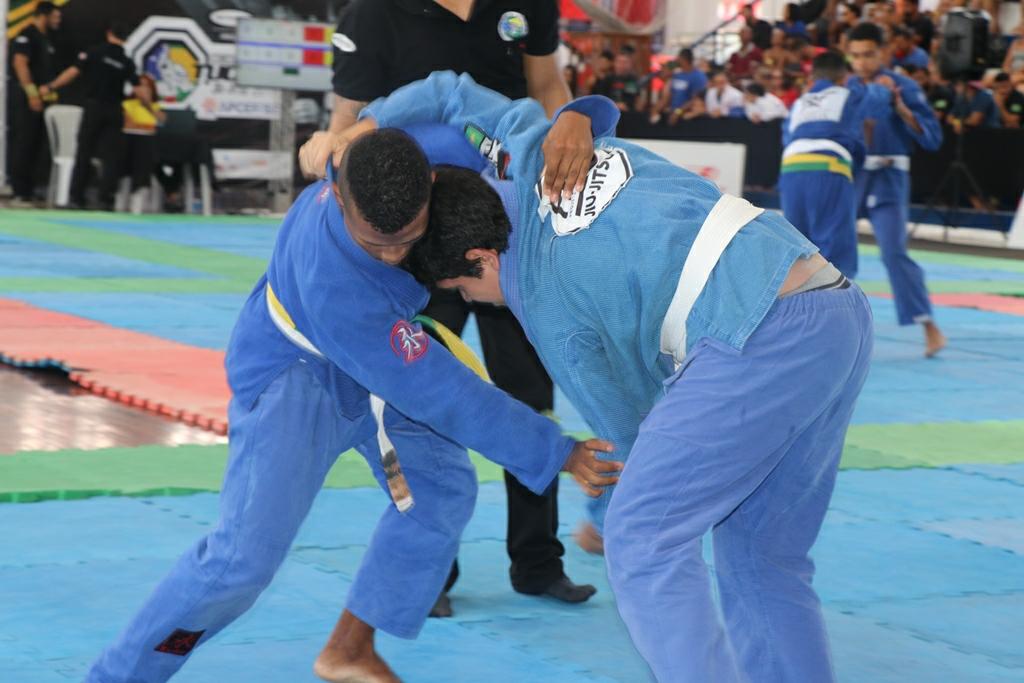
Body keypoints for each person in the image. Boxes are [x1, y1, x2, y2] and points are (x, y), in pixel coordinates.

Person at [351, 70, 874, 683]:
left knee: (643, 537)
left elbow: (628, 427)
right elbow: (452, 93)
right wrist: (365, 125)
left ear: (481, 257)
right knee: (763, 556)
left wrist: (605, 518)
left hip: (756, 337)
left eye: (464, 288)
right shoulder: (539, 151)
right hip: (835, 308)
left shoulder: (545, 303)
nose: (476, 300)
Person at [83, 120, 620, 683]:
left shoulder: (394, 155)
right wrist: (555, 451)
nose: (393, 256)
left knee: (440, 492)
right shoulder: (336, 283)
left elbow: (463, 108)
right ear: (339, 198)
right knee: (242, 559)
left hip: (381, 363)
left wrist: (574, 123)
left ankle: (349, 649)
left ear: (430, 183)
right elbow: (441, 390)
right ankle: (118, 677)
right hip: (294, 380)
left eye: (407, 239)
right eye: (375, 243)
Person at [296, 0, 599, 620]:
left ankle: (538, 561)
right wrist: (331, 159)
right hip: (414, 238)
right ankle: (431, 568)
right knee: (422, 404)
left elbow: (546, 85)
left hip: (508, 224)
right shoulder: (372, 15)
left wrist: (565, 148)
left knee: (530, 395)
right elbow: (348, 120)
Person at [847, 22, 946, 356]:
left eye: (868, 55)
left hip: (889, 177)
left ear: (884, 53)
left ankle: (928, 324)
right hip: (851, 177)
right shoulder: (846, 87)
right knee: (829, 252)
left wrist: (901, 108)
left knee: (893, 253)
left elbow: (933, 138)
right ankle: (824, 326)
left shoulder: (905, 86)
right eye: (855, 56)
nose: (861, 62)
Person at [780, 50, 888, 278]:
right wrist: (882, 87)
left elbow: (787, 137)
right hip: (827, 169)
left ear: (812, 77)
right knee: (834, 249)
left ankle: (795, 299)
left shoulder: (799, 103)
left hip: (790, 170)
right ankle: (836, 298)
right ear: (843, 77)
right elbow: (877, 102)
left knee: (796, 247)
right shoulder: (849, 93)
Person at [44, 22, 146, 210]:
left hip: (94, 107)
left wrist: (51, 86)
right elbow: (140, 90)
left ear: (109, 33)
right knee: (111, 157)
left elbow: (72, 72)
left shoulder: (94, 52)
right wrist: (151, 107)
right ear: (126, 39)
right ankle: (105, 199)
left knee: (84, 152)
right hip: (114, 109)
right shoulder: (126, 62)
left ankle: (76, 198)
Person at [6, 1, 61, 207]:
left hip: (41, 99)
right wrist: (32, 95)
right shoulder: (27, 34)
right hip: (25, 99)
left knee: (36, 144)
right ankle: (18, 190)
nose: (58, 21)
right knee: (24, 142)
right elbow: (20, 64)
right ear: (43, 15)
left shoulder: (46, 39)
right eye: (55, 16)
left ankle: (28, 190)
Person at [119, 74, 166, 213]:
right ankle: (122, 197)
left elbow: (161, 120)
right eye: (140, 86)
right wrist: (145, 125)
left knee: (146, 157)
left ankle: (139, 194)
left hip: (148, 141)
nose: (143, 90)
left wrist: (148, 105)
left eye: (147, 86)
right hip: (129, 140)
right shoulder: (127, 104)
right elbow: (129, 124)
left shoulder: (155, 106)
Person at [658, 48, 707, 125]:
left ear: (684, 60)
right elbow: (663, 76)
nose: (677, 60)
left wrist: (678, 112)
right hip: (672, 114)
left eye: (679, 59)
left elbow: (696, 98)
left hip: (687, 117)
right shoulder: (677, 74)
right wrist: (671, 66)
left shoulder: (698, 76)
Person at [593, 46, 644, 112]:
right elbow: (601, 96)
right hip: (608, 110)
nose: (621, 65)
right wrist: (614, 104)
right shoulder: (607, 78)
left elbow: (632, 97)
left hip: (627, 111)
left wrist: (623, 105)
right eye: (619, 62)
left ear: (630, 64)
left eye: (625, 62)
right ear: (614, 63)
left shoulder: (632, 80)